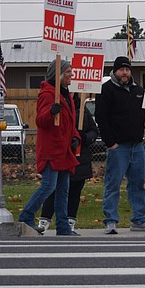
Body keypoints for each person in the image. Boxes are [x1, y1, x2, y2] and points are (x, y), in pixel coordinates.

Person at [17, 59, 80, 236]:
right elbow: (40, 120)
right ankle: (26, 216)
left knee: (63, 190)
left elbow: (71, 123)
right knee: (48, 186)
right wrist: (51, 111)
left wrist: (75, 137)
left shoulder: (67, 95)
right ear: (58, 74)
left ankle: (63, 226)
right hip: (52, 149)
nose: (71, 76)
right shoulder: (48, 94)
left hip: (64, 150)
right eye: (68, 72)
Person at [98, 56, 145, 233]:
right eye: (121, 70)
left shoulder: (138, 90)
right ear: (115, 71)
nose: (124, 73)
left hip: (137, 146)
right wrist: (110, 143)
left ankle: (138, 220)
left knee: (138, 184)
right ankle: (110, 220)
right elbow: (101, 117)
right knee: (113, 183)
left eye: (127, 69)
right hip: (118, 147)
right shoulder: (106, 90)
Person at [37, 92, 99, 233]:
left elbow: (94, 132)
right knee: (53, 189)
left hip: (79, 159)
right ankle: (44, 219)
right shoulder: (55, 106)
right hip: (60, 156)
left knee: (75, 191)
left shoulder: (82, 110)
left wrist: (83, 137)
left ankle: (69, 221)